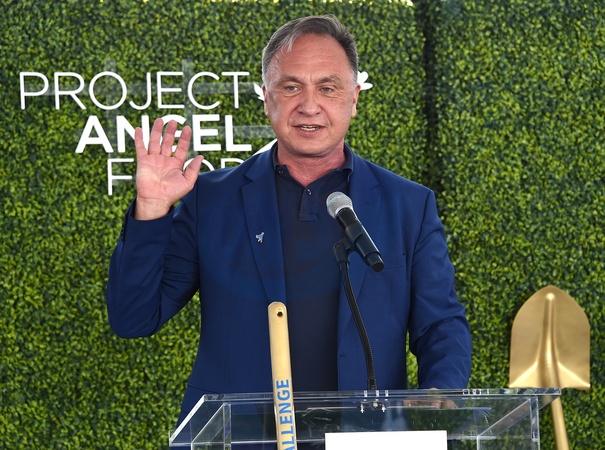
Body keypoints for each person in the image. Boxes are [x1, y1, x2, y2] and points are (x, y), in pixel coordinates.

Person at [106, 13, 472, 434]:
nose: (309, 105)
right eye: (291, 87)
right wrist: (151, 209)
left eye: (328, 88)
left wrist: (440, 390)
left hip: (364, 435)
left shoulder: (409, 205)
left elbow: (440, 323)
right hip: (239, 438)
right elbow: (133, 318)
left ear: (353, 98)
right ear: (267, 98)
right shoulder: (211, 198)